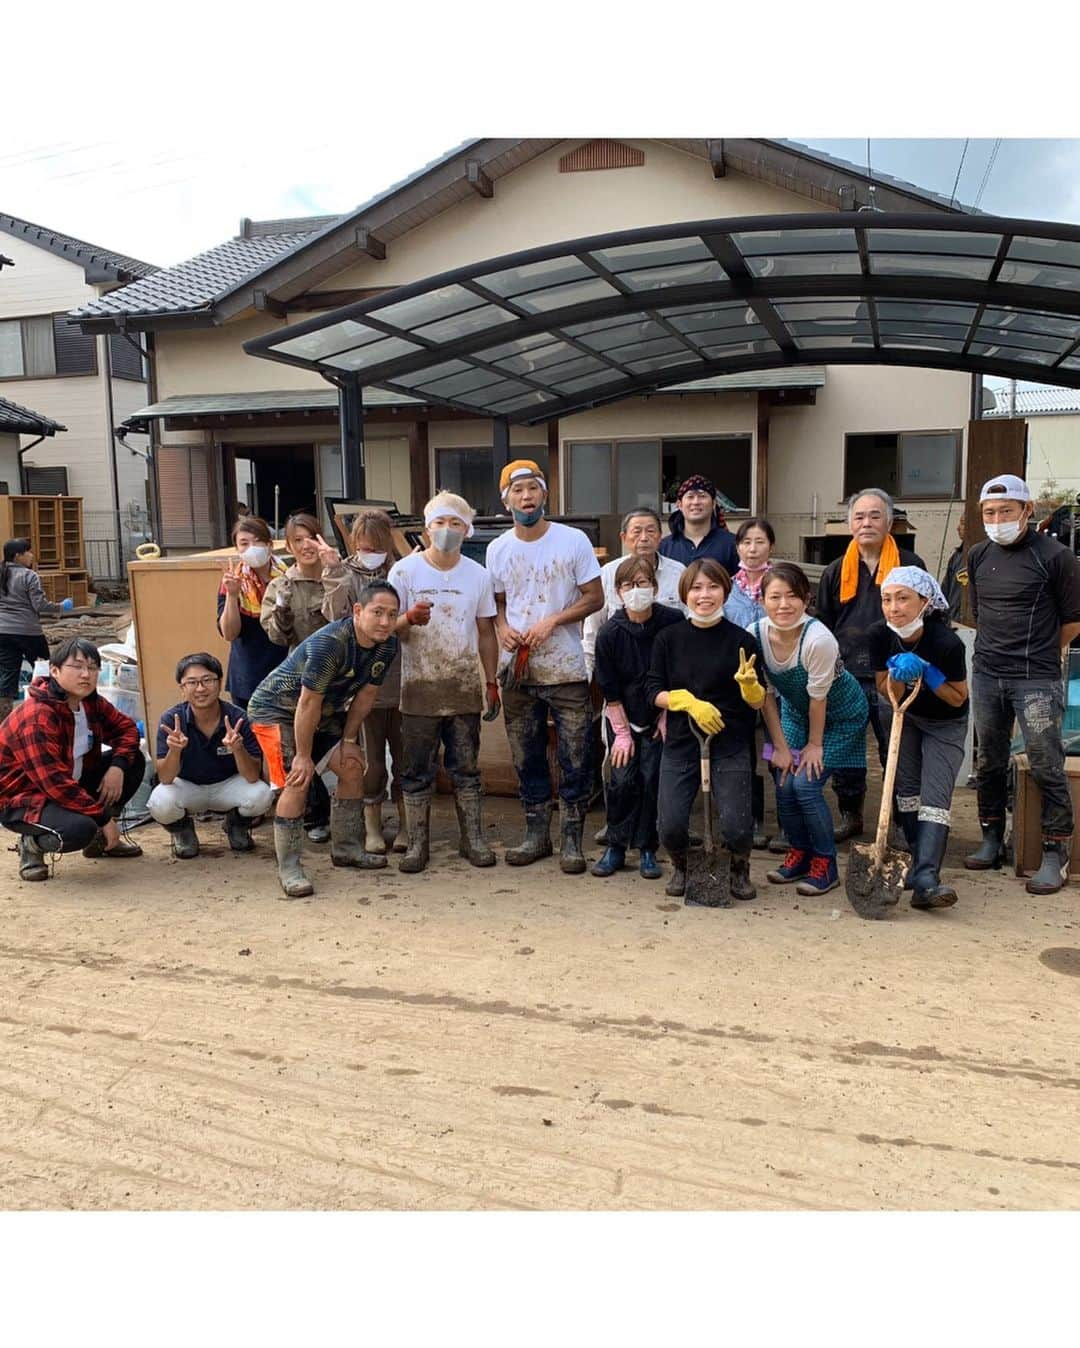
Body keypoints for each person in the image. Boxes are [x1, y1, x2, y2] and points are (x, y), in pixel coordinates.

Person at [964, 474, 1080, 894]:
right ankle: (992, 837)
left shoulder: (1055, 557)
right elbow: (978, 611)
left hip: (1037, 678)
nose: (997, 519)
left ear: (1027, 511)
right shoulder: (977, 556)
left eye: (1006, 511)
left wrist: (1040, 654)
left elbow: (1072, 621)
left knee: (1046, 762)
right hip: (987, 673)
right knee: (988, 761)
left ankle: (1055, 850)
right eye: (990, 513)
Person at [486, 459, 603, 873]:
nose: (526, 496)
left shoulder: (573, 541)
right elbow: (496, 602)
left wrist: (553, 620)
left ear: (544, 494)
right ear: (506, 500)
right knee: (527, 754)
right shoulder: (498, 548)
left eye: (533, 488)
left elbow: (595, 597)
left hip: (566, 668)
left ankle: (572, 839)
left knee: (575, 754)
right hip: (518, 670)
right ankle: (536, 835)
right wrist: (502, 629)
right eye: (517, 491)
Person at [247, 583, 401, 898]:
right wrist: (303, 756)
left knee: (351, 765)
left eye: (392, 614)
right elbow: (307, 702)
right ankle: (289, 867)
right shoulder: (331, 643)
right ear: (358, 611)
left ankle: (347, 848)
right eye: (377, 613)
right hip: (276, 710)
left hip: (324, 711)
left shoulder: (387, 646)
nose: (385, 622)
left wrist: (347, 739)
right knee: (297, 780)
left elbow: (366, 696)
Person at [387, 492, 500, 873]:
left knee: (466, 769)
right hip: (418, 688)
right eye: (439, 523)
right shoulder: (404, 572)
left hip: (463, 686)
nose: (447, 530)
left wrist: (491, 682)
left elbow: (485, 631)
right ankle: (417, 845)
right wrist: (407, 620)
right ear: (426, 528)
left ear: (467, 530)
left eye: (455, 523)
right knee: (416, 771)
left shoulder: (479, 574)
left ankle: (474, 840)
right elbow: (389, 630)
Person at [646, 558, 767, 903]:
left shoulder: (742, 640)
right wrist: (683, 701)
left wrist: (751, 690)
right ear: (684, 593)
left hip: (730, 741)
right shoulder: (668, 639)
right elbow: (651, 689)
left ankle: (739, 865)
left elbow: (758, 702)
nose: (704, 595)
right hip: (684, 741)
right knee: (668, 824)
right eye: (696, 588)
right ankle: (683, 865)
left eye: (713, 586)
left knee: (737, 825)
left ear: (725, 592)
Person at [749, 564, 869, 896]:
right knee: (783, 778)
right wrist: (781, 746)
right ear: (762, 600)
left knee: (805, 784)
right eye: (775, 597)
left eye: (792, 596)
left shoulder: (819, 640)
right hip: (794, 712)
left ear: (806, 598)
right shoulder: (754, 634)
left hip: (841, 716)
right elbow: (765, 696)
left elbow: (820, 700)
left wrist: (814, 745)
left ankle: (826, 864)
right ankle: (799, 852)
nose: (783, 605)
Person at [816, 488, 924, 842]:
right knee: (847, 751)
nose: (866, 523)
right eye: (859, 517)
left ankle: (899, 824)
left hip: (892, 671)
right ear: (849, 523)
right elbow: (825, 624)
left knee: (895, 749)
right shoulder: (836, 570)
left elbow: (927, 617)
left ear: (890, 522)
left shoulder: (910, 566)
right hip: (846, 673)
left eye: (875, 516)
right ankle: (851, 816)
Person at [0, 637, 144, 881]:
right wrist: (103, 818)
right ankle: (32, 845)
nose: (85, 674)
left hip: (69, 782)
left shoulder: (89, 703)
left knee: (133, 761)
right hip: (22, 799)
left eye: (92, 667)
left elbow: (127, 729)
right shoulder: (38, 716)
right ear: (54, 671)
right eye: (76, 667)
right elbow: (54, 782)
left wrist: (117, 767)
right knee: (79, 829)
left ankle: (101, 841)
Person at [869, 568, 969, 909]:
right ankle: (912, 862)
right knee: (907, 792)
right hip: (904, 716)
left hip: (945, 723)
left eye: (903, 598)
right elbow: (886, 692)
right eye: (887, 599)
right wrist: (898, 675)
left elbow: (958, 698)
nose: (894, 607)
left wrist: (927, 671)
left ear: (925, 602)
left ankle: (928, 878)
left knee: (935, 796)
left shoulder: (946, 642)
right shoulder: (879, 635)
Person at [592, 555, 683, 880]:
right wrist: (622, 732)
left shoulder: (672, 623)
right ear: (618, 591)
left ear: (655, 587)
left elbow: (679, 673)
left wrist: (665, 715)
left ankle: (647, 848)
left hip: (661, 715)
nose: (636, 590)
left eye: (642, 583)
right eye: (629, 585)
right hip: (622, 717)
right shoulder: (610, 634)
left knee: (651, 779)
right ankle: (615, 846)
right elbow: (608, 686)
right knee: (621, 780)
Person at [322, 509, 407, 855]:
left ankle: (405, 824)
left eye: (377, 546)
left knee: (406, 759)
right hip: (360, 684)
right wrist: (333, 573)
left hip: (401, 681)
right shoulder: (345, 572)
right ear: (354, 543)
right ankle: (371, 826)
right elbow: (332, 615)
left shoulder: (400, 571)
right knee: (369, 761)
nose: (370, 552)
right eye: (364, 545)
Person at [261, 512, 344, 843]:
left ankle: (349, 824)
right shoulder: (280, 585)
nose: (306, 546)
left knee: (337, 749)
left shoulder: (337, 575)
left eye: (311, 537)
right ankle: (313, 816)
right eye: (298, 540)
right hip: (300, 681)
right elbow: (276, 638)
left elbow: (346, 620)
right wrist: (281, 612)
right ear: (289, 546)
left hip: (339, 680)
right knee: (295, 751)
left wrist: (335, 573)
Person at [148, 652, 273, 859]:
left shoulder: (238, 718)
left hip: (227, 786)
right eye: (192, 682)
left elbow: (252, 776)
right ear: (182, 688)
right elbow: (166, 778)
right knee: (160, 801)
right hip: (188, 787)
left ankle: (236, 825)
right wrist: (175, 750)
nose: (200, 688)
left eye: (208, 680)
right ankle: (183, 832)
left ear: (219, 682)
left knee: (261, 794)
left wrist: (238, 749)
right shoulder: (172, 719)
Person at [723, 516, 779, 851]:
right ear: (738, 547)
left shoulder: (782, 583)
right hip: (739, 685)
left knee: (777, 748)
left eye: (760, 542)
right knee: (743, 752)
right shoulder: (726, 588)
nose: (753, 549)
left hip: (779, 684)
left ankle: (786, 822)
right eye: (746, 542)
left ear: (771, 545)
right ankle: (752, 820)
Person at [583, 508, 685, 678]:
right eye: (637, 532)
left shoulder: (679, 572)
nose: (644, 538)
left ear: (660, 537)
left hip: (668, 671)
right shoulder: (607, 573)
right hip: (620, 670)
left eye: (651, 531)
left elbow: (689, 623)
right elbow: (593, 631)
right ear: (624, 538)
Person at [217, 516, 288, 711]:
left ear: (269, 544)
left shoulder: (287, 578)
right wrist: (232, 595)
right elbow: (229, 633)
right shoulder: (232, 581)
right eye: (244, 543)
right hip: (247, 677)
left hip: (284, 672)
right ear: (236, 549)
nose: (252, 548)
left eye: (257, 541)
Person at [0, 537, 73, 722]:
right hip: (28, 631)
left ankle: (4, 721)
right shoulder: (28, 576)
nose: (32, 555)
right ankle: (51, 711)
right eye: (28, 552)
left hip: (3, 632)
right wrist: (60, 607)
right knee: (45, 669)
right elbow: (39, 605)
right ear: (18, 556)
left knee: (7, 674)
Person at [658, 476, 738, 572]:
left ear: (713, 504)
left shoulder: (732, 544)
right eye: (690, 497)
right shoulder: (664, 547)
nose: (696, 502)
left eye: (702, 496)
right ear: (679, 505)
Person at [941, 513, 968, 625]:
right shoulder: (957, 556)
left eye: (962, 523)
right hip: (953, 620)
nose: (958, 528)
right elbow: (944, 591)